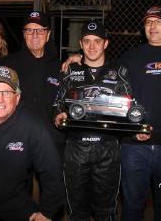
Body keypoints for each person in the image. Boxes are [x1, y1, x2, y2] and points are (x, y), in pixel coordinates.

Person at [54, 21, 131, 220]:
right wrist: (59, 114)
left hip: (108, 148)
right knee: (77, 212)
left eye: (97, 41)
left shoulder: (119, 71)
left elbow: (129, 109)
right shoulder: (71, 70)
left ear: (105, 43)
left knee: (106, 212)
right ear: (80, 43)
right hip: (76, 149)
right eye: (87, 41)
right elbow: (58, 103)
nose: (92, 46)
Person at [0, 66, 65, 221]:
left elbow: (52, 172)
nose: (0, 99)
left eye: (7, 92)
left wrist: (47, 212)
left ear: (17, 98)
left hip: (13, 201)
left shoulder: (32, 126)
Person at [119, 5, 161, 221]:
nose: (152, 26)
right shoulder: (130, 57)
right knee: (132, 206)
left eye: (158, 21)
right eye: (148, 22)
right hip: (134, 146)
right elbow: (107, 80)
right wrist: (76, 59)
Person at [0, 11, 64, 153]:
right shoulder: (8, 65)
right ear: (24, 34)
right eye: (29, 30)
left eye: (40, 30)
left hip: (51, 140)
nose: (34, 35)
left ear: (48, 35)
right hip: (17, 140)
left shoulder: (60, 67)